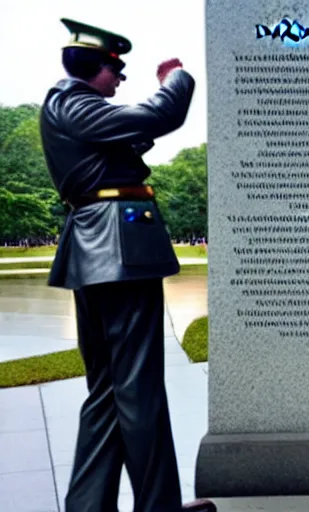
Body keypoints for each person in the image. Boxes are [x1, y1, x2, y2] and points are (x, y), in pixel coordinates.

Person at [39, 18, 216, 512]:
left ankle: (90, 506)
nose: (120, 82)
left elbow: (127, 142)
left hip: (102, 251)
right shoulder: (73, 101)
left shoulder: (73, 108)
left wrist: (135, 133)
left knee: (110, 392)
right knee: (136, 388)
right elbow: (159, 117)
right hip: (117, 251)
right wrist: (175, 78)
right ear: (97, 68)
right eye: (116, 72)